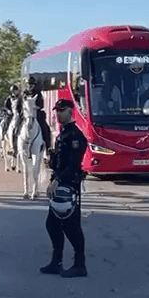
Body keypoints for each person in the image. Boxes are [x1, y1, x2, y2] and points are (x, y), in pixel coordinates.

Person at [40, 99, 88, 278]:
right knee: (52, 224)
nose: (58, 113)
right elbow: (59, 162)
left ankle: (80, 265)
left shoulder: (75, 136)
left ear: (70, 111)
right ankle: (56, 261)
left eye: (62, 110)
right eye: (57, 110)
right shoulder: (63, 134)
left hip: (69, 185)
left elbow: (73, 164)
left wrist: (58, 180)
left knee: (71, 226)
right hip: (59, 184)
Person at [24, 77, 52, 151]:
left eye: (31, 84)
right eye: (28, 84)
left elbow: (41, 105)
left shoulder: (38, 93)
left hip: (36, 114)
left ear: (34, 85)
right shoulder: (24, 94)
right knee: (16, 126)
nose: (30, 86)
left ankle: (48, 147)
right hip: (26, 114)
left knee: (45, 128)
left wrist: (34, 107)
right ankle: (14, 146)